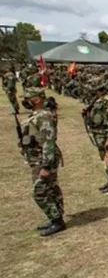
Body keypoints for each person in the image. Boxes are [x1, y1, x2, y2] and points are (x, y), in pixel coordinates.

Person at [19, 88, 65, 236]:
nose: (25, 101)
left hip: (44, 159)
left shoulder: (44, 116)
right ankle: (55, 218)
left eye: (28, 98)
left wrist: (46, 165)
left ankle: (57, 220)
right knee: (51, 189)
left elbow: (48, 141)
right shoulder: (37, 115)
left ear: (37, 99)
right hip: (39, 158)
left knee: (39, 192)